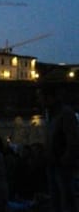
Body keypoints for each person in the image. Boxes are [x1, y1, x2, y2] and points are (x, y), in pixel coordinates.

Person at [39, 82, 78, 212]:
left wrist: (65, 158)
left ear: (50, 97)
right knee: (57, 198)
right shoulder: (51, 114)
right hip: (53, 162)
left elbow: (72, 139)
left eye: (42, 97)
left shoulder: (64, 114)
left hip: (61, 163)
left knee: (65, 196)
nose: (40, 101)